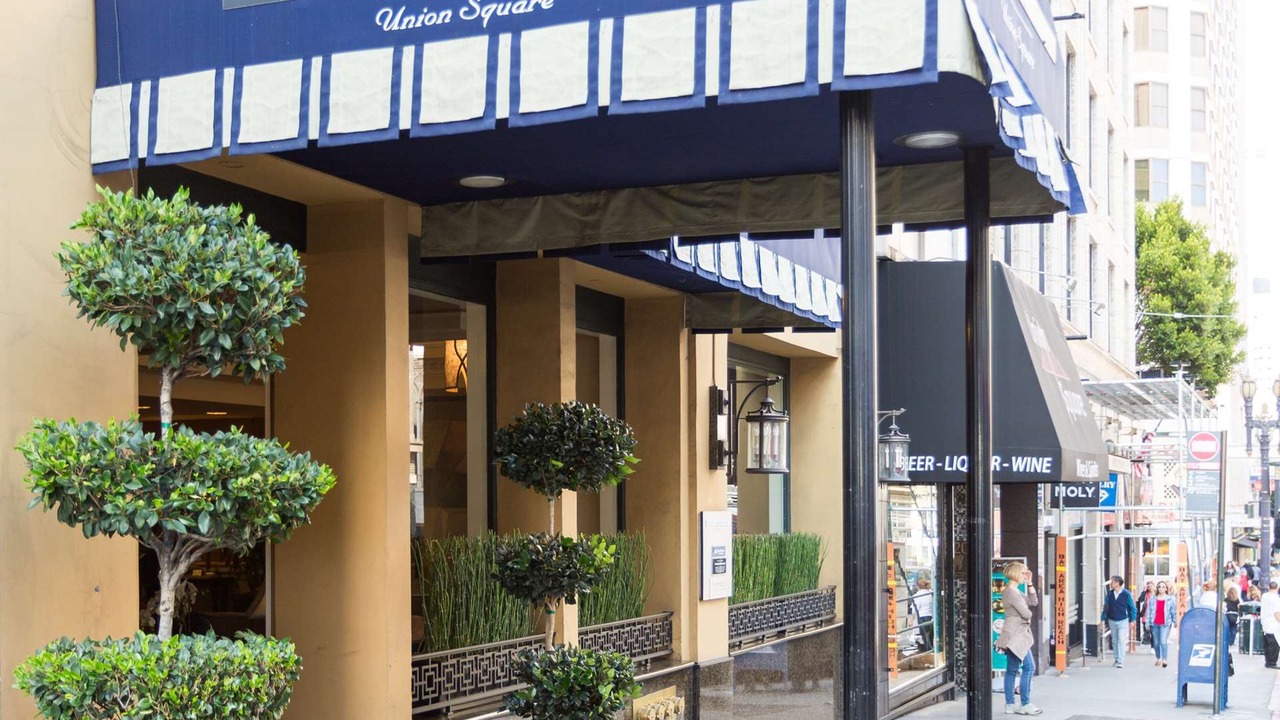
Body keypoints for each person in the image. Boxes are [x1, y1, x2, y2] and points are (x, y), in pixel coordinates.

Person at [995, 561, 1042, 716]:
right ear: (1015, 573)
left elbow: (1033, 602)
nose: (1025, 575)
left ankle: (1010, 704)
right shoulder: (1010, 592)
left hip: (1016, 634)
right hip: (1015, 635)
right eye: (1023, 573)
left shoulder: (1015, 590)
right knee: (1029, 667)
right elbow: (1027, 613)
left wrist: (1030, 584)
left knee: (1012, 670)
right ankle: (1025, 703)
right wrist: (1027, 612)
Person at [1101, 575, 1138, 668]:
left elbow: (1132, 608)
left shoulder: (1126, 594)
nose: (1111, 583)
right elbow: (1106, 607)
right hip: (1112, 619)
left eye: (1112, 582)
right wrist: (1103, 619)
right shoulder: (1110, 594)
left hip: (1123, 620)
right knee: (1114, 640)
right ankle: (1117, 658)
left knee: (1121, 639)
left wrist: (1132, 620)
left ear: (1118, 583)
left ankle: (1121, 660)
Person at [1145, 580, 1176, 667]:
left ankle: (1164, 659)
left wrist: (1175, 621)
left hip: (1165, 623)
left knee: (1163, 641)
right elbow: (1149, 611)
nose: (1161, 588)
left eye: (1163, 587)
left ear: (1166, 588)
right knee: (1156, 642)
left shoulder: (1170, 599)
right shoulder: (1153, 599)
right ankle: (1158, 658)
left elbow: (1173, 611)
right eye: (1159, 587)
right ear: (1157, 588)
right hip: (1154, 623)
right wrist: (1147, 623)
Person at [1262, 580, 1280, 669]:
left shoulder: (1264, 596)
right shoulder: (1276, 599)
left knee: (1267, 644)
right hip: (1274, 624)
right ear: (1277, 588)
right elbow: (1277, 613)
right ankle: (1272, 662)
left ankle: (1268, 661)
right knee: (1274, 645)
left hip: (1265, 622)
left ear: (1269, 587)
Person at [914, 577, 935, 654]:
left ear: (918, 586)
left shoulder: (918, 595)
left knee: (924, 634)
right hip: (930, 615)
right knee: (930, 634)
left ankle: (928, 650)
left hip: (922, 616)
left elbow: (916, 607)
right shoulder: (930, 593)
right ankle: (931, 648)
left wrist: (912, 618)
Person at [1136, 581, 1154, 645]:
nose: (1149, 588)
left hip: (1155, 614)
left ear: (1154, 586)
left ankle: (1152, 641)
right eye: (1148, 586)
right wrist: (1143, 591)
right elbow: (1140, 600)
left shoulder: (1156, 594)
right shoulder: (1146, 594)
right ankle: (1146, 641)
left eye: (1151, 586)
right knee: (1146, 629)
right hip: (1146, 613)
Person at [1225, 584, 1241, 648]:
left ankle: (1228, 641)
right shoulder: (1237, 600)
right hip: (1235, 615)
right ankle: (1232, 641)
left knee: (1228, 629)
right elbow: (1239, 607)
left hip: (1228, 615)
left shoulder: (1226, 600)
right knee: (1234, 629)